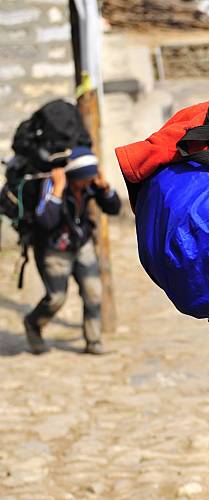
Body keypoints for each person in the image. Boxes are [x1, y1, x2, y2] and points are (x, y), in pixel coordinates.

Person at [23, 146, 121, 355]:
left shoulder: (89, 185)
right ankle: (33, 323)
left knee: (94, 293)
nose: (88, 182)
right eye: (84, 179)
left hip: (80, 244)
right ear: (73, 175)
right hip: (53, 249)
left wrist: (105, 188)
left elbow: (113, 208)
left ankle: (93, 341)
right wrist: (58, 189)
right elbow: (46, 221)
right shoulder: (52, 184)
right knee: (56, 298)